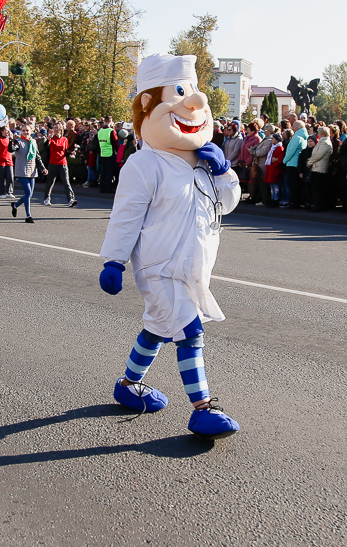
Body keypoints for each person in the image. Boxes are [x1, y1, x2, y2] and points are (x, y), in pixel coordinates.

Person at [99, 53, 241, 440]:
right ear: (148, 106)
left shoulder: (203, 160)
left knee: (159, 330)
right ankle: (203, 409)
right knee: (190, 332)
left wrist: (225, 172)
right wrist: (114, 260)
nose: (193, 103)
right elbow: (125, 216)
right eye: (180, 92)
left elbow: (226, 205)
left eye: (193, 91)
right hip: (159, 267)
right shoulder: (145, 165)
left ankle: (128, 386)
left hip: (192, 267)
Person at [9, 124, 48, 224]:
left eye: (27, 130)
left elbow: (37, 157)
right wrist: (11, 141)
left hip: (32, 170)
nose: (25, 132)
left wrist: (43, 168)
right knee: (28, 193)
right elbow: (12, 149)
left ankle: (15, 205)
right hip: (22, 170)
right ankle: (28, 215)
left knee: (29, 194)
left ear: (31, 131)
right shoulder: (18, 141)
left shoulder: (34, 142)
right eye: (23, 130)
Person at [43, 123, 77, 207]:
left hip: (62, 163)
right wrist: (48, 139)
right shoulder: (51, 138)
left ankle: (70, 199)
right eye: (54, 128)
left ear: (60, 129)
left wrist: (70, 152)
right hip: (53, 162)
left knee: (66, 181)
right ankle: (46, 198)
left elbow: (65, 151)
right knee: (50, 181)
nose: (54, 129)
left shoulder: (64, 139)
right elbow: (45, 147)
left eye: (56, 128)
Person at [281, 120, 307, 207]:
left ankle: (295, 202)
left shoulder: (297, 138)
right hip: (297, 163)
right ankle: (297, 201)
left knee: (293, 185)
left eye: (294, 127)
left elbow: (290, 151)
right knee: (297, 185)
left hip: (292, 163)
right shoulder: (303, 137)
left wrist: (284, 161)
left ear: (297, 127)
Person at [305, 126, 332, 211]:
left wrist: (309, 162)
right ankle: (315, 205)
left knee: (319, 189)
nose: (317, 134)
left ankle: (318, 206)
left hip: (320, 169)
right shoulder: (321, 142)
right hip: (316, 167)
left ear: (323, 134)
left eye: (319, 133)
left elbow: (318, 155)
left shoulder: (326, 143)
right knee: (315, 188)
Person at [96, 116, 120, 193]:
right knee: (109, 171)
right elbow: (115, 143)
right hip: (110, 152)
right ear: (110, 121)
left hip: (103, 153)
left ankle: (102, 187)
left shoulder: (100, 131)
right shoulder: (111, 131)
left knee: (103, 171)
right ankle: (108, 187)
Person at [263, 132, 284, 205]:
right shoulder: (273, 147)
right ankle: (272, 198)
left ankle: (276, 199)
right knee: (271, 185)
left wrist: (274, 163)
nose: (272, 140)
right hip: (270, 168)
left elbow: (280, 160)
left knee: (275, 185)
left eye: (273, 138)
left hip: (275, 169)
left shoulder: (279, 148)